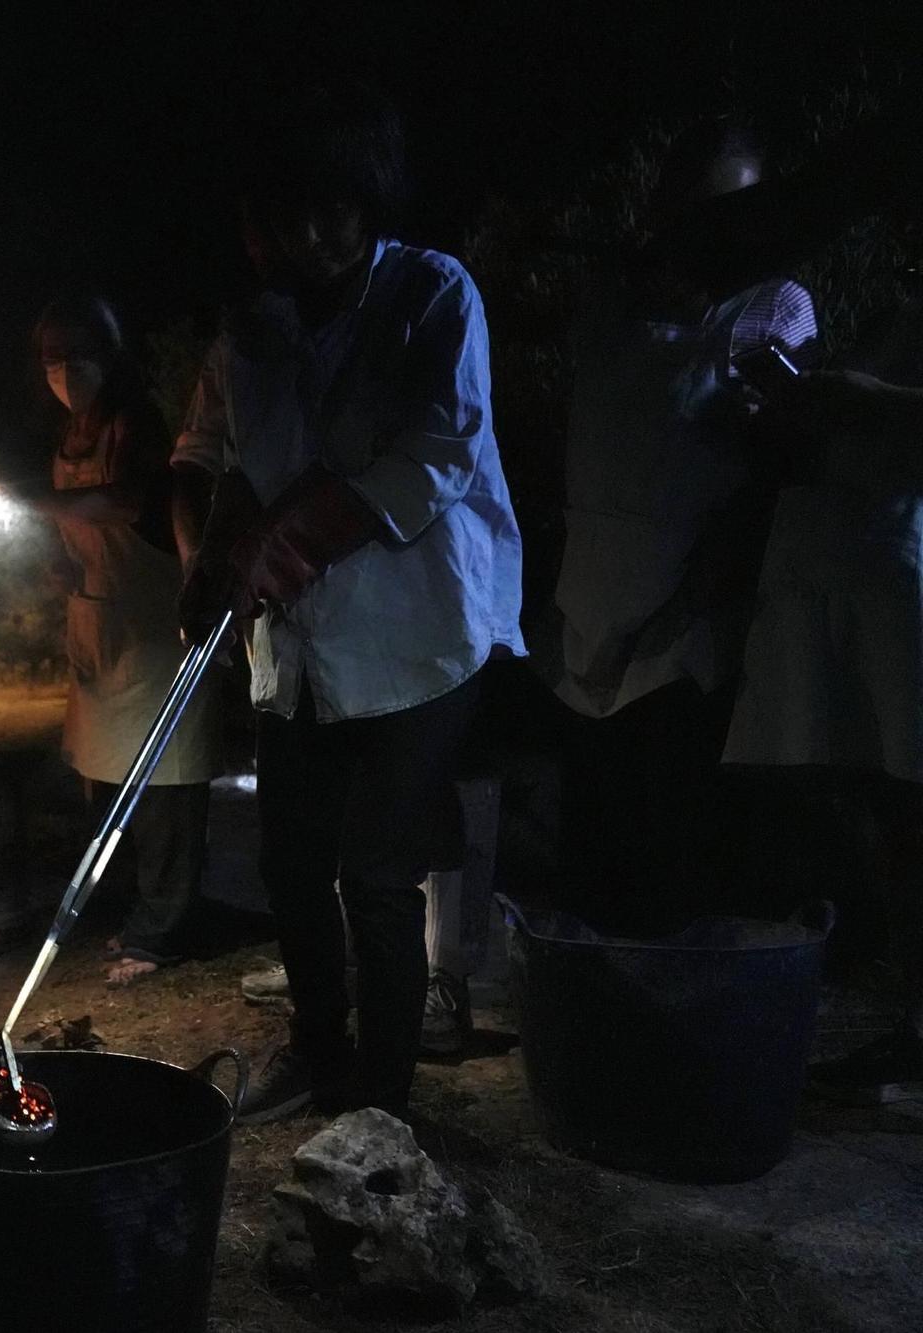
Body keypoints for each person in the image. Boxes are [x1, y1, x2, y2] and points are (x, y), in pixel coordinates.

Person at [174, 79, 525, 1123]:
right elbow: (226, 461)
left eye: (334, 206)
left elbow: (431, 455)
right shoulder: (254, 330)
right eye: (288, 212)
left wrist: (286, 538)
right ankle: (318, 1055)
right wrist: (211, 560)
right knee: (291, 867)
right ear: (257, 224)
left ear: (368, 202)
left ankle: (380, 1100)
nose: (313, 232)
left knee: (376, 877)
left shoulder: (431, 294)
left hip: (416, 640)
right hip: (300, 656)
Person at [531, 114, 819, 935]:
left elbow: (768, 475)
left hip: (685, 632)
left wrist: (686, 609)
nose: (703, 229)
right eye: (688, 208)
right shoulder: (613, 307)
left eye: (727, 210)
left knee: (669, 861)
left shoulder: (774, 306)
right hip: (585, 610)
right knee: (587, 864)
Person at [723, 291, 923, 1105]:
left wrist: (869, 401)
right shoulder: (897, 307)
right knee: (856, 789)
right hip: (846, 569)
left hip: (905, 567)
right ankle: (900, 1010)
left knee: (909, 799)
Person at [19, 297, 217, 986]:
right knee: (105, 783)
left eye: (76, 353)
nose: (63, 369)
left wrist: (32, 503)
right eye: (50, 356)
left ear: (108, 351)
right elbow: (81, 531)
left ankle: (165, 928)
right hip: (98, 627)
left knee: (164, 786)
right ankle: (135, 911)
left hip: (155, 626)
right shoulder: (67, 436)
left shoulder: (134, 424)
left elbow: (129, 504)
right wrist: (60, 561)